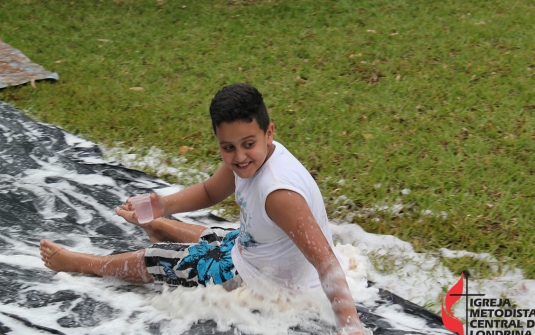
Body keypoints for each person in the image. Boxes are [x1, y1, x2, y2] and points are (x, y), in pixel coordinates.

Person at [40, 83, 365, 335]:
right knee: (222, 236)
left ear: (269, 132)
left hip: (273, 285)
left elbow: (325, 259)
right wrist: (162, 206)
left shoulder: (279, 193)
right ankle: (162, 226)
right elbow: (211, 190)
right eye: (228, 147)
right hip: (261, 254)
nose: (239, 157)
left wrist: (350, 325)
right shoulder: (256, 158)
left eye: (248, 144)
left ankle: (82, 263)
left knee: (157, 259)